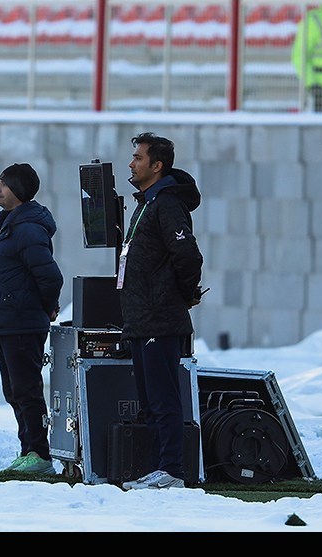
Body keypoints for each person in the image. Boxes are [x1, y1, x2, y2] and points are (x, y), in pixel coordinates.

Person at [118, 132, 204, 490]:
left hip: (160, 318)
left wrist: (180, 295)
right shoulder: (147, 203)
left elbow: (188, 256)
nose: (131, 164)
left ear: (157, 165)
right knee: (149, 401)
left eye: (138, 158)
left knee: (163, 397)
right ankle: (159, 468)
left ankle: (171, 469)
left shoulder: (167, 204)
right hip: (141, 318)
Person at [0, 163, 63, 475]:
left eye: (2, 184)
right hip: (8, 323)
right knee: (14, 391)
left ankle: (39, 453)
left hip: (22, 324)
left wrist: (47, 307)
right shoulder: (10, 227)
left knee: (26, 391)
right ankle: (27, 449)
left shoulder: (27, 229)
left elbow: (50, 277)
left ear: (18, 189)